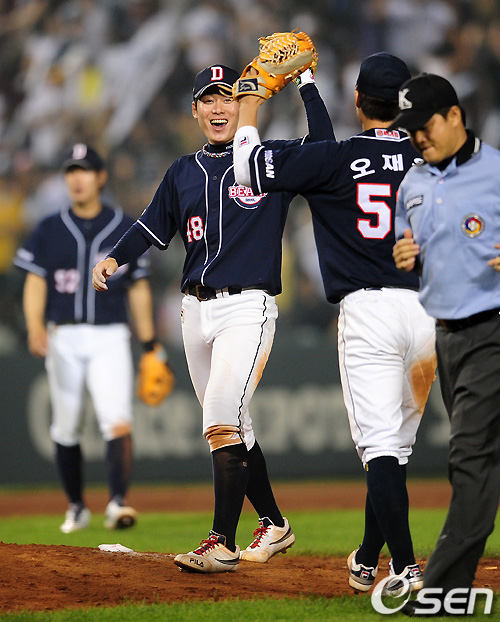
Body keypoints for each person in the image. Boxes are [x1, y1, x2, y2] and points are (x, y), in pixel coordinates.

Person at [92, 63, 334, 573]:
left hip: (247, 307)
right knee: (233, 424)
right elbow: (149, 226)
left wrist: (307, 84)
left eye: (229, 97)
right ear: (196, 110)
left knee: (221, 419)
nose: (220, 107)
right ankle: (275, 523)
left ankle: (222, 542)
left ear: (245, 105)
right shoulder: (183, 170)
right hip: (194, 310)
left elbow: (324, 148)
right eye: (210, 99)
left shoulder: (268, 159)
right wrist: (115, 257)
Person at [233, 52, 436, 593]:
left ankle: (407, 568)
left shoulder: (336, 158)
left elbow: (247, 167)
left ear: (358, 100)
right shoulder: (431, 160)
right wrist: (306, 87)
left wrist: (251, 100)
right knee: (395, 451)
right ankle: (367, 558)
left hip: (369, 312)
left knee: (381, 450)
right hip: (427, 316)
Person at [392, 73, 500, 617]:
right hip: (447, 336)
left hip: (493, 331)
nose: (418, 136)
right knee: (481, 457)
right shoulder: (412, 182)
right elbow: (406, 238)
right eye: (410, 128)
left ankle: (442, 592)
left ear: (455, 116)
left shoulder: (496, 171)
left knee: (470, 459)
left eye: (426, 124)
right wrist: (404, 254)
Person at [14, 143, 158, 533]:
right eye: (71, 171)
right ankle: (76, 506)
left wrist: (150, 345)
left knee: (117, 419)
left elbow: (139, 288)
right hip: (63, 335)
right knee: (65, 425)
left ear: (101, 177)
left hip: (110, 334)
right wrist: (35, 325)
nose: (77, 178)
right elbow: (35, 282)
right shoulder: (49, 227)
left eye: (85, 170)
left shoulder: (125, 226)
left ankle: (118, 503)